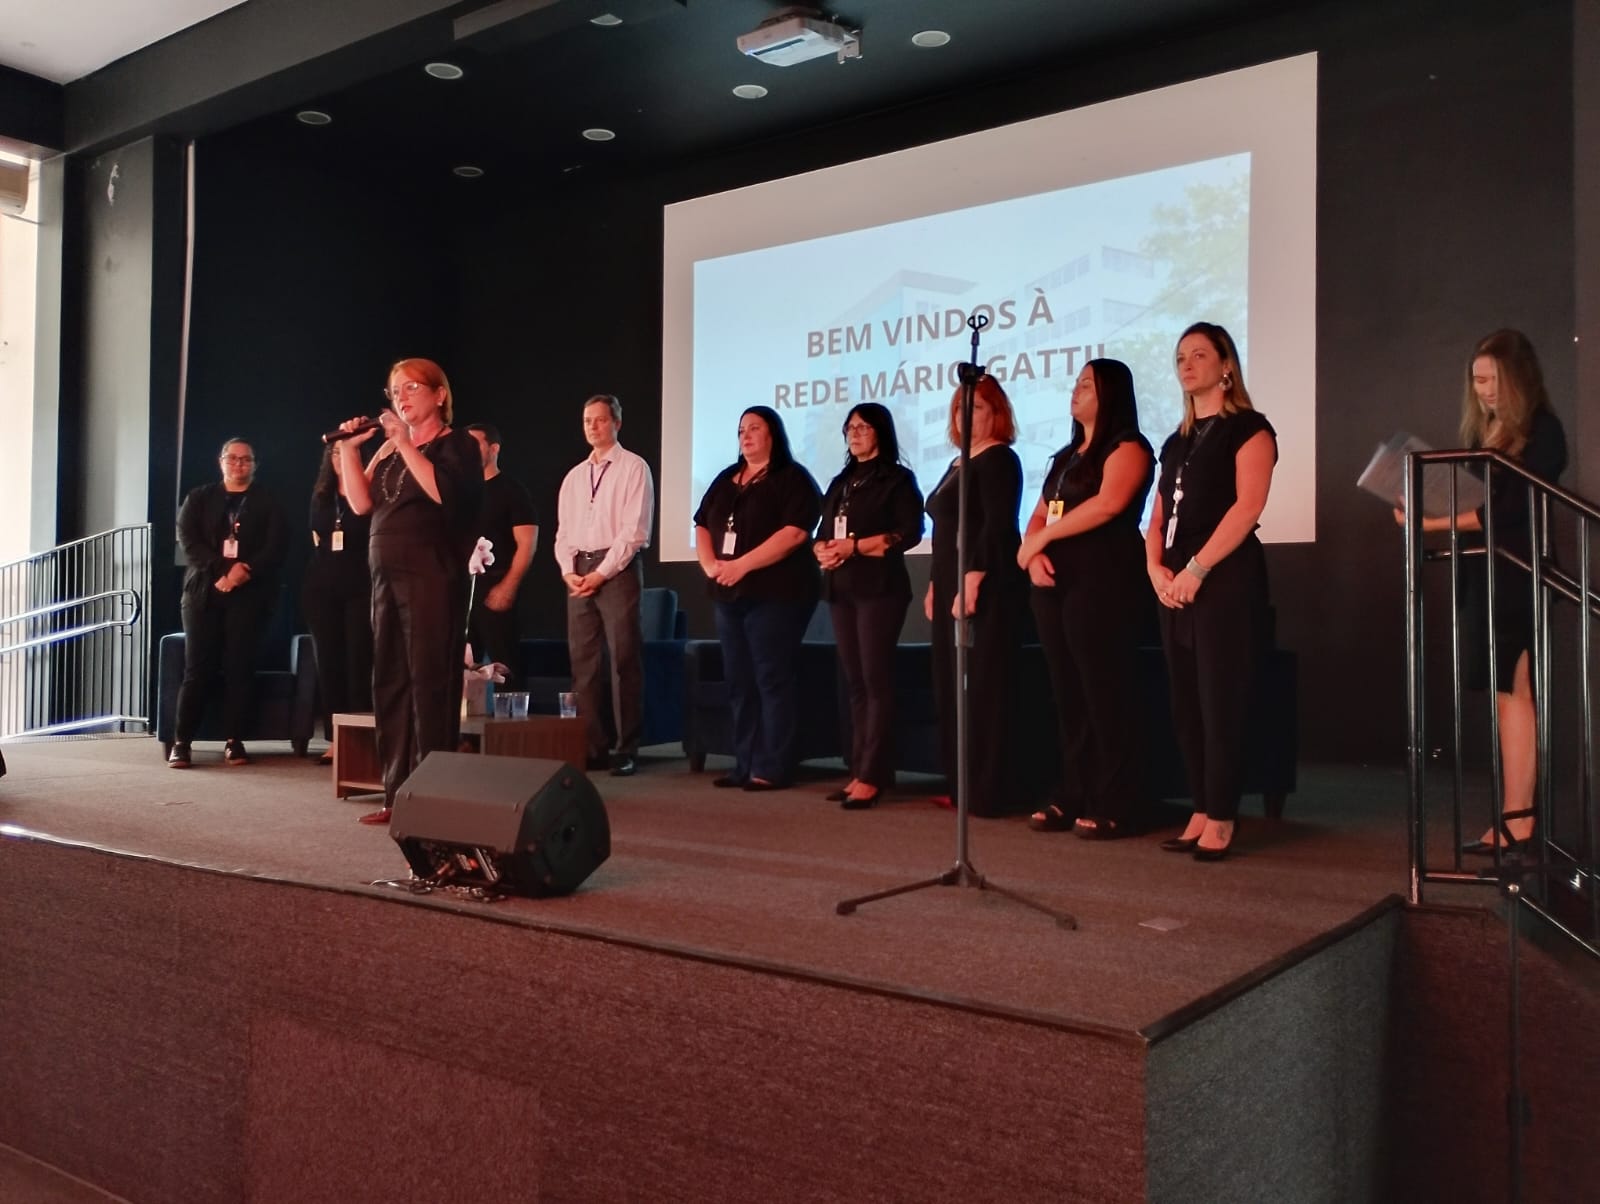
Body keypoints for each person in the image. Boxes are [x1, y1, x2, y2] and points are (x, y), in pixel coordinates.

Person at [1393, 329, 1567, 854]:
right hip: (1484, 575)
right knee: (1505, 698)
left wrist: (1429, 522)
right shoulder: (1484, 433)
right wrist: (1431, 511)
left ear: (1518, 378)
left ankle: (1520, 820)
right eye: (1477, 380)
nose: (1485, 390)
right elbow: (1477, 506)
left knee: (1516, 695)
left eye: (1493, 379)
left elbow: (1508, 511)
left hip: (1517, 575)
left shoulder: (1542, 430)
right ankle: (1515, 817)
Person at [1147, 322, 1277, 861]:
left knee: (1221, 697)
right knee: (1186, 702)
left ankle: (1222, 813)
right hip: (1174, 582)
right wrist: (1155, 569)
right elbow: (1157, 517)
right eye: (1181, 356)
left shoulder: (1249, 429)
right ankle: (1201, 804)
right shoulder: (1174, 442)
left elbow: (1247, 507)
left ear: (1226, 366)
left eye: (1199, 355)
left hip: (1223, 578)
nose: (1187, 364)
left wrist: (1197, 569)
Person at [335, 358, 483, 825]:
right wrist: (349, 450)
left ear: (439, 394)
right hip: (385, 575)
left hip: (431, 573)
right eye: (395, 390)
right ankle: (396, 793)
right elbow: (361, 503)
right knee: (391, 681)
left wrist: (403, 440)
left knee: (430, 681)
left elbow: (443, 494)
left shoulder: (457, 445)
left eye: (412, 387)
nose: (401, 396)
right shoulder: (387, 449)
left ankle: (432, 795)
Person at [1017, 359, 1155, 838]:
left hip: (1104, 579)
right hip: (1055, 583)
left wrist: (1039, 541)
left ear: (1111, 394)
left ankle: (1118, 799)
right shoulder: (1064, 457)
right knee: (1067, 692)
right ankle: (1073, 791)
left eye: (1087, 385)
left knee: (1105, 691)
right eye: (1075, 384)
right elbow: (1040, 514)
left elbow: (1109, 504)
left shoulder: (1128, 447)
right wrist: (1034, 552)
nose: (1076, 391)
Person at [693, 406, 822, 791]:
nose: (745, 436)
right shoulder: (726, 479)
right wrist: (710, 565)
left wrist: (742, 565)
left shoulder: (792, 478)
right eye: (741, 430)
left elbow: (795, 533)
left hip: (777, 593)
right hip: (729, 593)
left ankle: (772, 766)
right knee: (739, 680)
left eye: (754, 428)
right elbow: (702, 522)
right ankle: (745, 762)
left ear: (773, 434)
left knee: (771, 677)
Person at [923, 374, 1027, 816]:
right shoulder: (956, 463)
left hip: (986, 584)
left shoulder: (999, 459)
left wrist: (974, 578)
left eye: (977, 408)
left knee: (984, 688)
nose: (965, 417)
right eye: (958, 409)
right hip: (950, 580)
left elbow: (997, 525)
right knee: (951, 687)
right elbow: (945, 530)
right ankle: (960, 784)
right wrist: (935, 583)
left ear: (996, 413)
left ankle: (988, 790)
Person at [813, 403, 925, 809]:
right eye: (850, 428)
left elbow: (910, 532)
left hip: (880, 589)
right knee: (855, 682)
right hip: (841, 589)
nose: (855, 434)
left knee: (876, 680)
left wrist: (856, 547)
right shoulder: (841, 481)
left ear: (881, 432)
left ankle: (872, 775)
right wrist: (821, 550)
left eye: (863, 427)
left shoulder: (897, 479)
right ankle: (861, 768)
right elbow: (822, 531)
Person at [553, 394, 656, 777]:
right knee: (584, 664)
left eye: (599, 420)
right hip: (579, 569)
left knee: (624, 660)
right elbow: (564, 532)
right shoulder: (575, 476)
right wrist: (568, 571)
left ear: (616, 423)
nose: (593, 427)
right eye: (587, 421)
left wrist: (602, 572)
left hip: (618, 569)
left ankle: (626, 748)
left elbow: (634, 531)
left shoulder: (634, 467)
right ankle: (593, 747)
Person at [170, 438, 288, 768]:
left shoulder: (268, 501)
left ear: (254, 464)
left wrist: (242, 573)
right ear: (220, 461)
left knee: (240, 667)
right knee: (197, 669)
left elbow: (276, 546)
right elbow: (188, 540)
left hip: (249, 594)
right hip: (203, 591)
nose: (239, 464)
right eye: (232, 458)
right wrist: (223, 570)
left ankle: (234, 740)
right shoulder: (199, 497)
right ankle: (182, 742)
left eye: (246, 459)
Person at [301, 444, 374, 765]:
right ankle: (335, 739)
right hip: (321, 589)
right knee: (329, 664)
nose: (340, 459)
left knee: (358, 662)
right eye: (334, 454)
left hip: (361, 587)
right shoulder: (321, 496)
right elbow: (317, 538)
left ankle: (359, 736)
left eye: (346, 452)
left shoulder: (369, 494)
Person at [463, 422, 538, 669]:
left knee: (505, 666)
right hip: (462, 592)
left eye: (475, 444)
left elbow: (527, 543)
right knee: (462, 667)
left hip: (496, 587)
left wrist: (508, 586)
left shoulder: (512, 491)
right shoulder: (460, 491)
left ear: (494, 448)